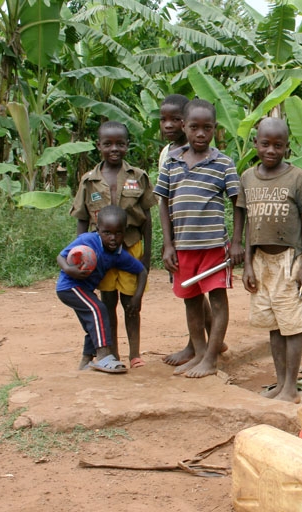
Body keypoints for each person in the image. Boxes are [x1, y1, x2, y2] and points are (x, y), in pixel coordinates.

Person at [154, 98, 244, 378]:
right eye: (194, 127)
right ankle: (199, 351)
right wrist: (168, 245)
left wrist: (238, 242)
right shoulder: (171, 162)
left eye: (208, 128)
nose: (201, 133)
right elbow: (163, 204)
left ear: (216, 129)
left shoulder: (223, 164)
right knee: (191, 300)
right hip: (183, 248)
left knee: (217, 301)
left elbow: (238, 203)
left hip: (214, 247)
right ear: (185, 126)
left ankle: (210, 360)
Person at [237, 117, 302, 403]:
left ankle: (292, 388)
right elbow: (246, 224)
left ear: (287, 147)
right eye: (265, 144)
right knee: (274, 324)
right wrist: (247, 263)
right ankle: (281, 383)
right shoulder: (246, 178)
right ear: (256, 143)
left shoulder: (297, 177)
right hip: (261, 262)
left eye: (278, 145)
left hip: (289, 260)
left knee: (292, 325)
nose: (271, 150)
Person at [70, 121, 155, 369]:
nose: (114, 149)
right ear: (99, 146)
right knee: (107, 303)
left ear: (127, 146)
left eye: (120, 143)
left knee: (132, 303)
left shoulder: (138, 177)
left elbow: (147, 219)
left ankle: (135, 354)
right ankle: (112, 353)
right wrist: (78, 252)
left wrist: (146, 256)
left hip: (131, 247)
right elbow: (83, 220)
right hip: (101, 253)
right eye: (108, 144)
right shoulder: (89, 181)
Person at [57, 205, 148, 374]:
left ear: (125, 231)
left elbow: (141, 271)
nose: (112, 238)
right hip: (70, 287)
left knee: (92, 323)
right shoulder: (87, 240)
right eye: (107, 233)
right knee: (99, 309)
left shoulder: (118, 255)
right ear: (98, 230)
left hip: (85, 291)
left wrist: (137, 297)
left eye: (118, 233)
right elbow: (61, 256)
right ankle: (104, 356)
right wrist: (70, 270)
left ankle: (85, 362)